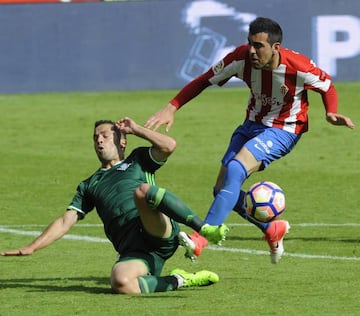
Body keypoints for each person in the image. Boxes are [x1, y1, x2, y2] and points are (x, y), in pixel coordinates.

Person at [145, 17, 355, 264]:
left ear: (275, 48)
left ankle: (202, 238)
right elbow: (204, 80)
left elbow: (327, 85)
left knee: (237, 167)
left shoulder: (298, 67)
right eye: (250, 44)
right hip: (251, 124)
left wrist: (331, 111)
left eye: (259, 46)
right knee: (222, 188)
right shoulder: (240, 59)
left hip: (285, 129)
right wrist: (172, 107)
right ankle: (271, 230)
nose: (252, 51)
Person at [0, 117, 229, 294]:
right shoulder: (89, 185)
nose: (99, 140)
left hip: (157, 230)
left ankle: (203, 228)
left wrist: (137, 129)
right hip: (135, 250)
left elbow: (169, 145)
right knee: (120, 283)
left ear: (122, 141)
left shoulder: (137, 160)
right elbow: (65, 220)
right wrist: (33, 247)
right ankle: (180, 279)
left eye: (105, 136)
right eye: (95, 137)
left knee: (142, 192)